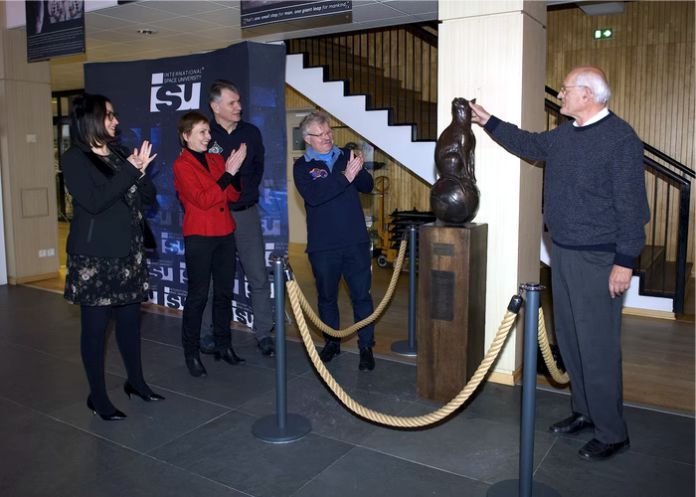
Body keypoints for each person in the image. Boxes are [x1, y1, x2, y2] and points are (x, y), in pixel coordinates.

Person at [469, 66, 649, 460]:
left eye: (566, 90)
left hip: (599, 258)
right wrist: (489, 122)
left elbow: (634, 208)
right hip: (564, 252)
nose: (560, 96)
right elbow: (530, 144)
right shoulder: (566, 135)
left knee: (597, 346)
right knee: (570, 339)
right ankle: (584, 412)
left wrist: (625, 262)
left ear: (587, 94)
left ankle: (612, 431)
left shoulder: (620, 139)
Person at [62, 93, 164, 421]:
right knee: (95, 331)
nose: (115, 121)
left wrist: (141, 173)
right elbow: (95, 201)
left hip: (129, 254)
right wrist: (130, 173)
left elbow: (147, 196)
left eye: (114, 115)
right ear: (90, 118)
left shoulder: (120, 153)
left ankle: (136, 383)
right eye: (108, 115)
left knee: (130, 325)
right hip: (95, 259)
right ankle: (98, 396)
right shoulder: (74, 158)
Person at [293, 111, 376, 371]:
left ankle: (366, 347)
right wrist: (344, 178)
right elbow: (316, 197)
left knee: (362, 297)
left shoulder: (346, 157)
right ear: (307, 139)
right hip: (323, 246)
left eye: (329, 132)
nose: (328, 137)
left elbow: (366, 185)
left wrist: (358, 171)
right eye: (321, 134)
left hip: (355, 242)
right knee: (327, 298)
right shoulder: (302, 167)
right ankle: (332, 343)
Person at [200, 80, 275, 357]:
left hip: (246, 214)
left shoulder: (251, 133)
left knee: (257, 274)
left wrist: (245, 194)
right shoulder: (205, 135)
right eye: (232, 103)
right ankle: (208, 331)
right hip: (216, 215)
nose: (239, 107)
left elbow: (257, 167)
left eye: (239, 101)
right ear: (215, 106)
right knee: (213, 278)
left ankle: (264, 333)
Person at [173, 111, 247, 378]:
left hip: (225, 232)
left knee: (224, 294)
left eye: (208, 131)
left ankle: (223, 345)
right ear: (186, 136)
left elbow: (232, 194)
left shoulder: (216, 160)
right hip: (200, 236)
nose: (208, 136)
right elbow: (203, 199)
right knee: (198, 296)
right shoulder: (181, 166)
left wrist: (234, 173)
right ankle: (191, 353)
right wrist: (228, 174)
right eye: (202, 132)